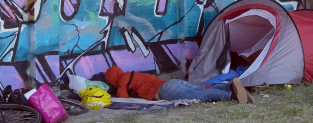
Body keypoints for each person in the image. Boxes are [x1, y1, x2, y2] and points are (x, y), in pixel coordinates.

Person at [104, 66, 254, 104]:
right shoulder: (134, 74)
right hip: (172, 83)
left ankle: (232, 96)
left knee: (201, 96)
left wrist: (117, 89)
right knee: (201, 90)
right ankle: (229, 86)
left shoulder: (123, 79)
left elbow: (123, 96)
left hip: (166, 91)